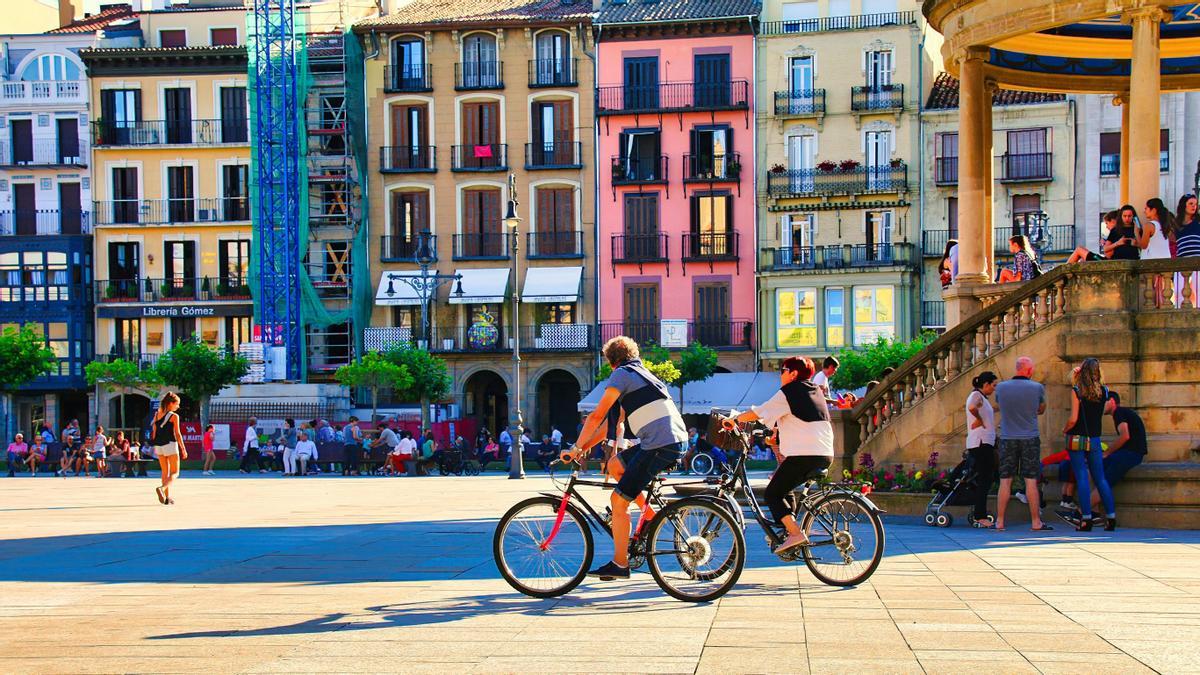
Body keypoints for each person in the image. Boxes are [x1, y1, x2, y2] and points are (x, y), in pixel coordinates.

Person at [563, 335, 688, 581]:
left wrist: (575, 447)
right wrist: (582, 448)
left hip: (660, 445)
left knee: (618, 501)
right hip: (671, 441)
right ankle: (650, 516)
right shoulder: (641, 374)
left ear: (611, 363)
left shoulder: (621, 374)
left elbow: (596, 416)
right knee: (615, 465)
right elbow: (611, 423)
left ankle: (620, 564)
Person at [724, 357, 835, 553]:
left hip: (805, 455)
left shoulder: (789, 392)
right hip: (824, 453)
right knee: (785, 488)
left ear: (793, 373)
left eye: (783, 370)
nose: (780, 374)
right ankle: (787, 529)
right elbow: (799, 417)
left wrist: (734, 420)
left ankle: (795, 534)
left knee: (772, 494)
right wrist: (776, 432)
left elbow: (759, 412)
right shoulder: (814, 390)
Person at [993, 356, 1052, 532]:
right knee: (1031, 481)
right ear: (1028, 370)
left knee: (1005, 481)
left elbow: (1000, 404)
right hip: (1030, 438)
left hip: (1007, 437)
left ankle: (1000, 521)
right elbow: (1041, 409)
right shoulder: (1037, 388)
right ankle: (1035, 521)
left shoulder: (1001, 388)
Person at [1062, 359, 1118, 531]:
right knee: (1100, 478)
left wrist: (1065, 429)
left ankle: (1086, 519)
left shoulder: (1077, 390)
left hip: (1077, 438)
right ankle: (1110, 517)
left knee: (1081, 476)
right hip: (1094, 439)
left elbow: (1073, 418)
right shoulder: (1104, 391)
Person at [965, 372, 999, 528]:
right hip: (981, 443)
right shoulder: (976, 396)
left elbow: (981, 409)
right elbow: (973, 407)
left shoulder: (980, 398)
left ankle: (980, 513)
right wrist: (978, 419)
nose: (994, 388)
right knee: (985, 479)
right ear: (985, 384)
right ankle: (980, 515)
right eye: (993, 385)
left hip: (983, 442)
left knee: (987, 478)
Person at [151, 392, 187, 505]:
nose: (178, 406)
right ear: (171, 403)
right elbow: (177, 434)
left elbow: (154, 433)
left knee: (164, 472)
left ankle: (166, 498)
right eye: (177, 404)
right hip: (170, 445)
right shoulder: (174, 416)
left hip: (159, 446)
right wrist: (183, 449)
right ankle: (162, 489)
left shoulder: (157, 414)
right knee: (175, 472)